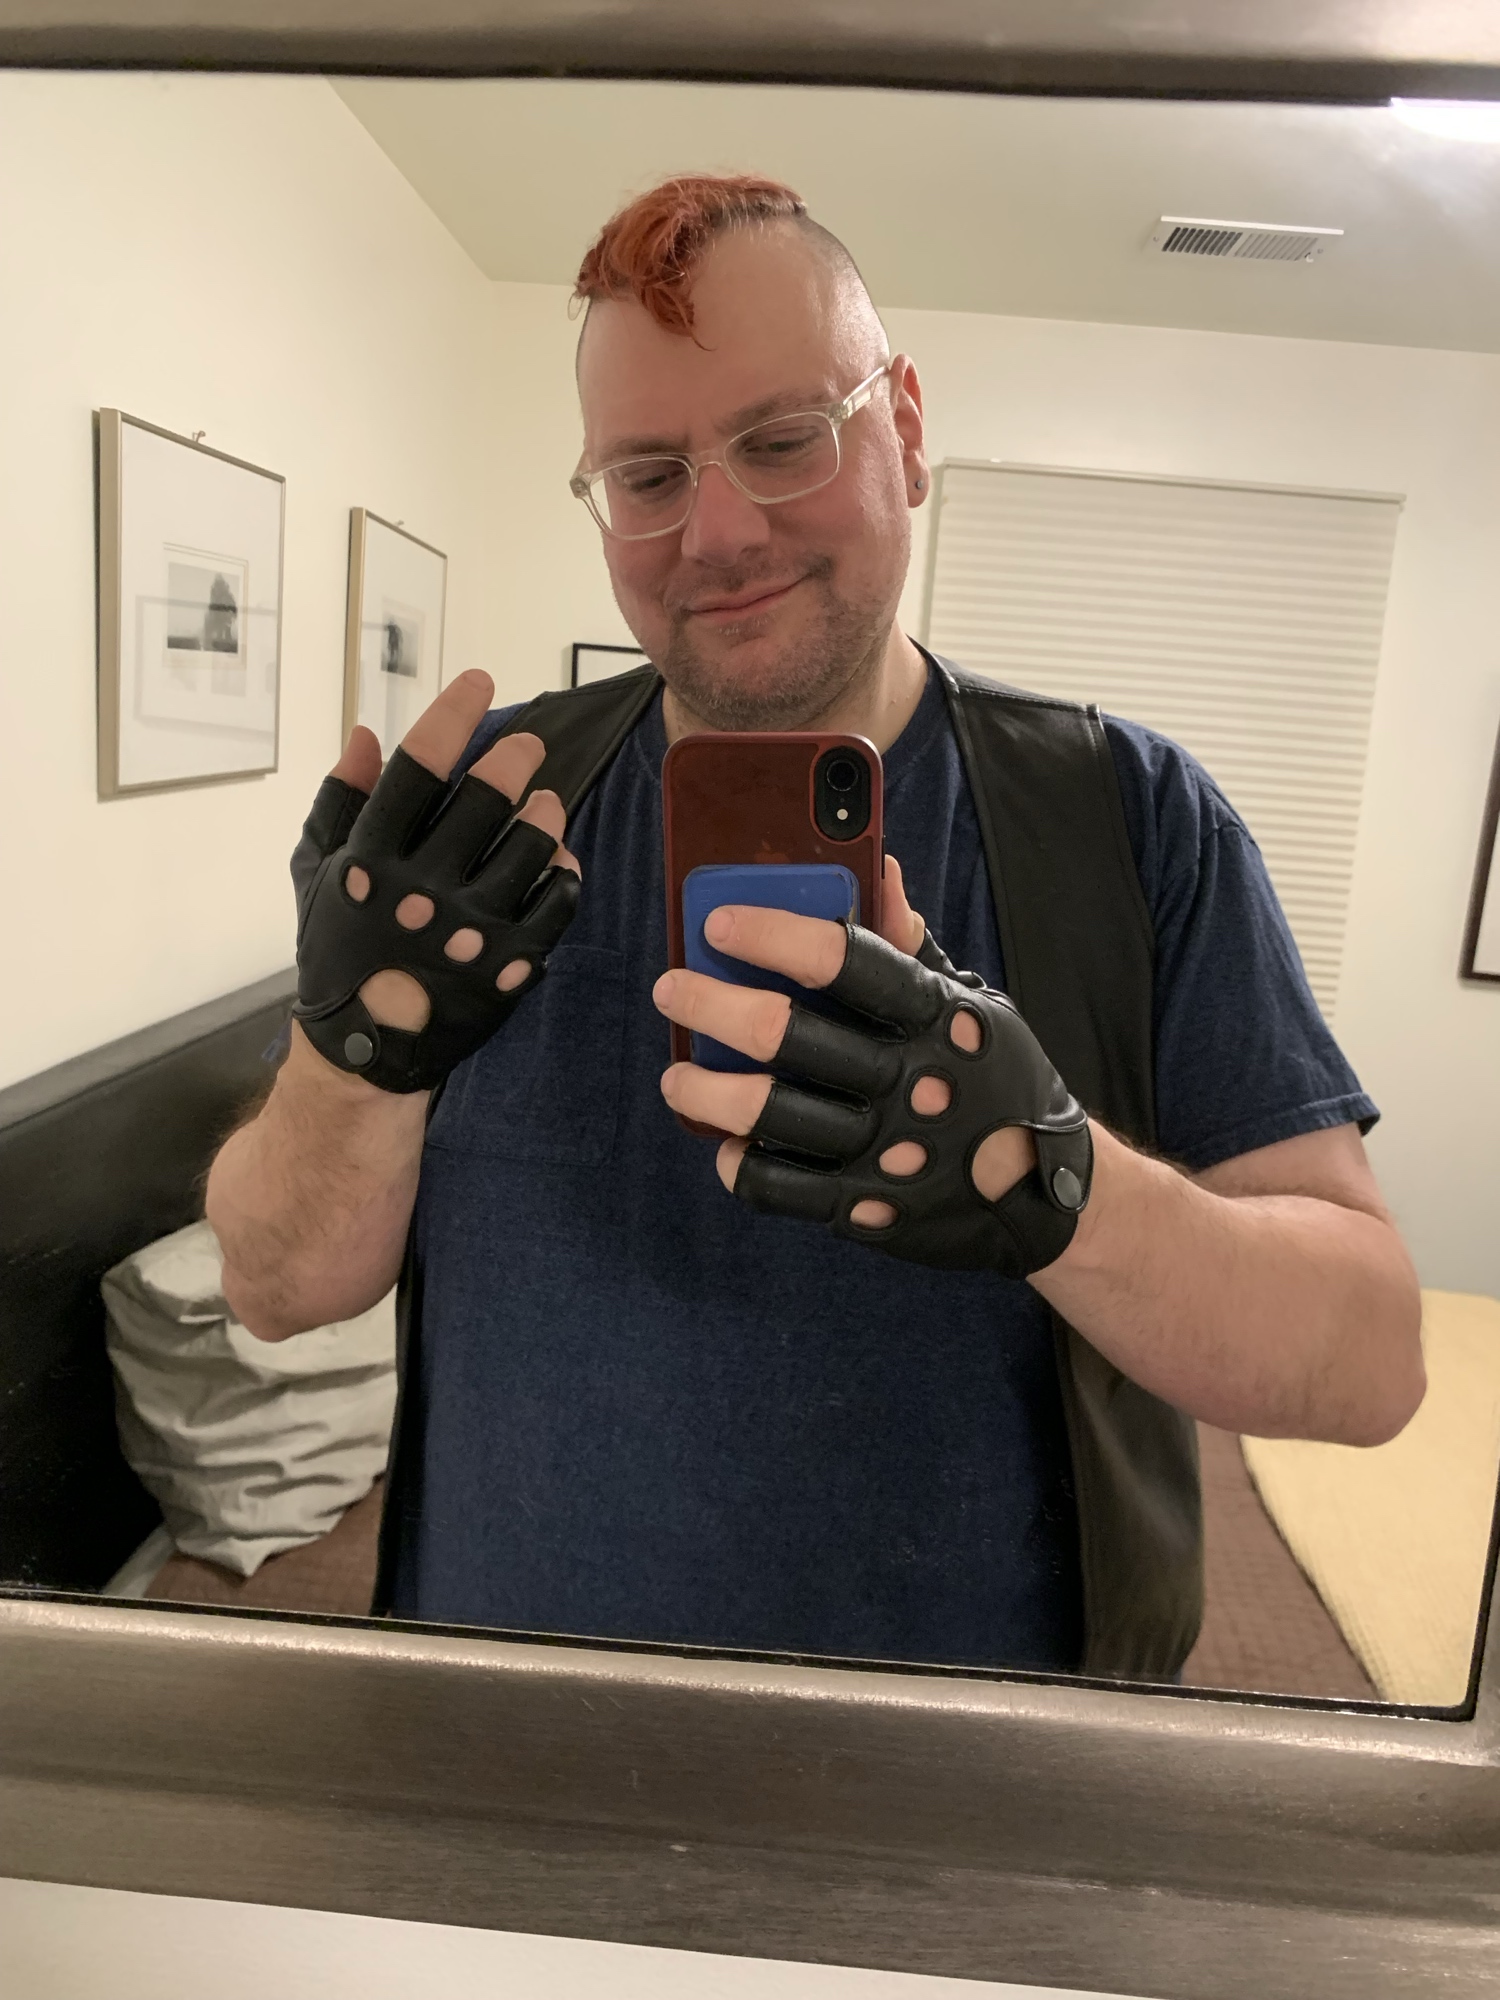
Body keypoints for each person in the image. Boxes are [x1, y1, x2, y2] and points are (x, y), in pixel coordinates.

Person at [206, 175, 1424, 1679]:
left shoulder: (1131, 821)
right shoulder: (481, 823)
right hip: (496, 1745)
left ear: (904, 427)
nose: (718, 530)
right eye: (648, 474)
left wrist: (1052, 1178)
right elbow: (274, 1290)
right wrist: (350, 1060)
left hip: (969, 1777)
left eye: (784, 441)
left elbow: (1368, 1363)